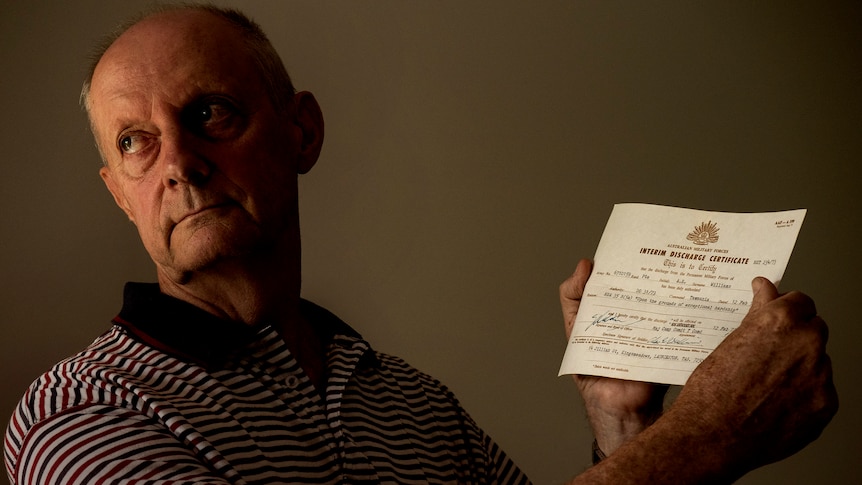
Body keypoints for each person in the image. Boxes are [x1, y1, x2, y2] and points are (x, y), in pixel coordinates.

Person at [3, 5, 837, 484]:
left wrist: (621, 429)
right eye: (135, 143)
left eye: (210, 113)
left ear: (302, 133)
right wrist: (706, 440)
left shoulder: (413, 403)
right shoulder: (80, 418)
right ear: (118, 193)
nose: (179, 161)